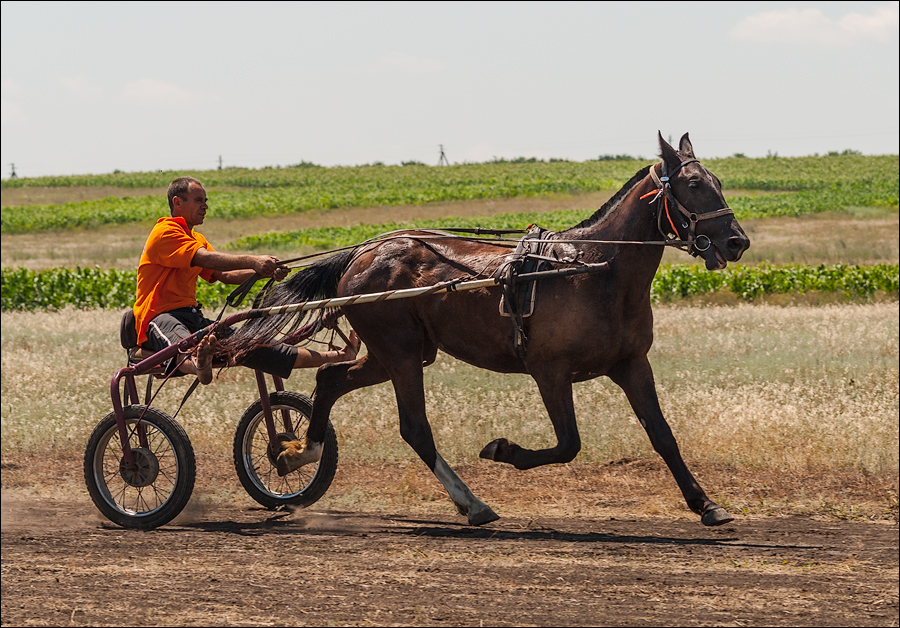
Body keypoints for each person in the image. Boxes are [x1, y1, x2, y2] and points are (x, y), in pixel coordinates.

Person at [133, 176, 358, 384]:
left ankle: (340, 356)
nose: (205, 206)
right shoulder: (165, 231)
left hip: (192, 317)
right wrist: (253, 261)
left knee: (253, 345)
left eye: (206, 201)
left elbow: (224, 275)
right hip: (158, 317)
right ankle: (199, 364)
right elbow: (204, 258)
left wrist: (263, 273)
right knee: (181, 342)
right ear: (177, 202)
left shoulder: (195, 238)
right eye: (199, 200)